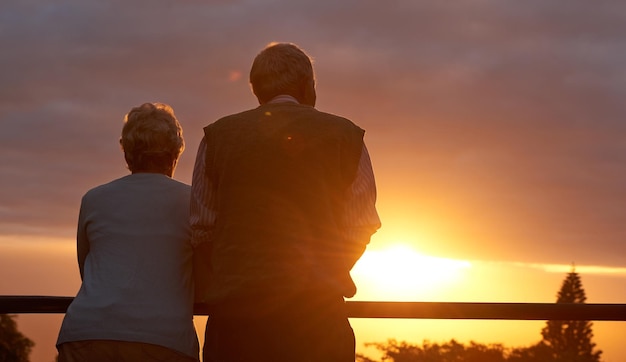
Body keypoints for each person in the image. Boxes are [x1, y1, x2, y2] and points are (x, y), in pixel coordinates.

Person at [191, 42, 381, 362]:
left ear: (256, 90)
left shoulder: (217, 137)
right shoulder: (347, 136)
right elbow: (360, 226)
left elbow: (202, 228)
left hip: (235, 323)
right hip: (318, 321)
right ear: (309, 86)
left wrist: (240, 273)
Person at [56, 103, 200, 362]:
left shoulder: (94, 199)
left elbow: (87, 268)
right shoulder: (192, 202)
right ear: (175, 153)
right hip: (163, 340)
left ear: (127, 153)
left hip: (86, 333)